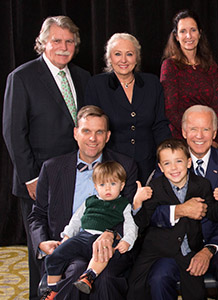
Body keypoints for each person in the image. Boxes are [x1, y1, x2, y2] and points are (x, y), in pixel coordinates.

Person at [2, 16, 91, 300]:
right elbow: (14, 132)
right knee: (43, 251)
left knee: (71, 246)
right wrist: (31, 177)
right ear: (43, 44)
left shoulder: (82, 76)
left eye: (69, 41)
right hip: (38, 181)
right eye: (57, 41)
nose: (63, 47)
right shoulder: (22, 77)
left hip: (76, 177)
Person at [29, 105, 138, 299]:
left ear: (108, 136)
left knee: (105, 278)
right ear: (75, 133)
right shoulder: (52, 168)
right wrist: (42, 242)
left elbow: (129, 212)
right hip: (69, 244)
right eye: (86, 131)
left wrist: (113, 235)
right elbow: (37, 215)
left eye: (99, 132)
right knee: (74, 271)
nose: (92, 138)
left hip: (109, 247)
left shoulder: (125, 166)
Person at [146, 105, 218, 300]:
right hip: (176, 241)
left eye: (206, 129)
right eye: (193, 129)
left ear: (215, 133)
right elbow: (152, 213)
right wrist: (180, 210)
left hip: (215, 239)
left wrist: (209, 250)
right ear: (183, 132)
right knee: (158, 277)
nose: (199, 135)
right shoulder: (169, 162)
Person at [127, 138, 218, 300]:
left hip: (189, 250)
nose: (173, 168)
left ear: (188, 163)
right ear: (160, 167)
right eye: (167, 163)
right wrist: (137, 203)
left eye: (178, 161)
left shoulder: (201, 185)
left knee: (195, 291)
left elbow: (214, 215)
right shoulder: (155, 187)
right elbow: (144, 222)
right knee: (136, 286)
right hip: (158, 249)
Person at [42, 161, 140, 299]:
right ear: (95, 186)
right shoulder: (89, 201)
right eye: (102, 185)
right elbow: (76, 220)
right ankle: (52, 289)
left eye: (112, 184)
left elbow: (131, 226)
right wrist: (67, 236)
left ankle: (88, 276)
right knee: (56, 255)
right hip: (83, 236)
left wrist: (127, 241)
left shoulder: (123, 205)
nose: (107, 189)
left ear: (122, 185)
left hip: (102, 240)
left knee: (101, 254)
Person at [85, 33, 171, 184]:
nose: (123, 60)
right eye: (117, 54)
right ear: (109, 58)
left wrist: (168, 159)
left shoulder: (152, 83)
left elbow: (160, 125)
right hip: (111, 169)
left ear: (136, 57)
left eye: (129, 54)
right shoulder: (96, 85)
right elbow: (92, 128)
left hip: (148, 165)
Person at [161, 9, 218, 145]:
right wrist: (193, 136)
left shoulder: (210, 66)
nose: (189, 35)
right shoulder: (170, 66)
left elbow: (217, 107)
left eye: (193, 30)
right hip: (181, 140)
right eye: (183, 31)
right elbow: (171, 110)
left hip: (209, 139)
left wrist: (214, 138)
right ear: (176, 36)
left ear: (200, 33)